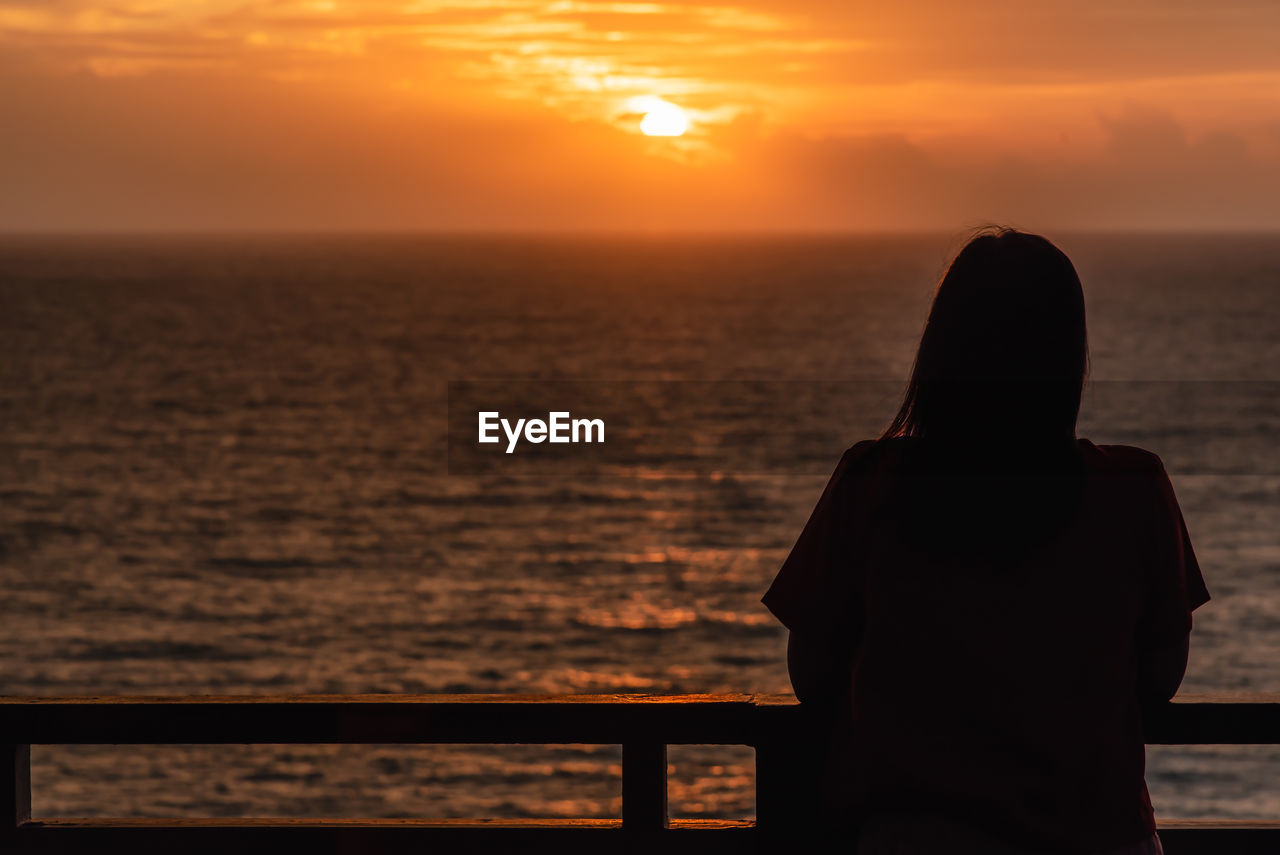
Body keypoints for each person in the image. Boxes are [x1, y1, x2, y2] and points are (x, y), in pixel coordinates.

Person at [762, 228, 1209, 855]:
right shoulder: (1134, 488)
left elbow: (811, 674)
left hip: (913, 838)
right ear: (1066, 352)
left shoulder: (872, 482)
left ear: (941, 350)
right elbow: (1161, 678)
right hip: (1097, 838)